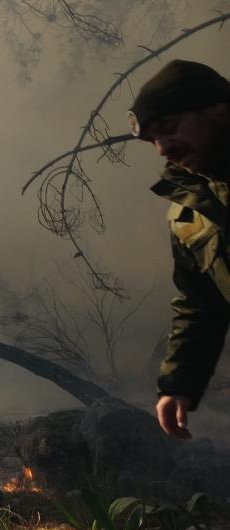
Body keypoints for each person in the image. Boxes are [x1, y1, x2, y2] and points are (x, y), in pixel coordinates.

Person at [127, 59, 230, 439]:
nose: (161, 148)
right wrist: (179, 384)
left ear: (217, 107)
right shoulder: (189, 213)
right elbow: (200, 302)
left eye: (168, 128)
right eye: (153, 139)